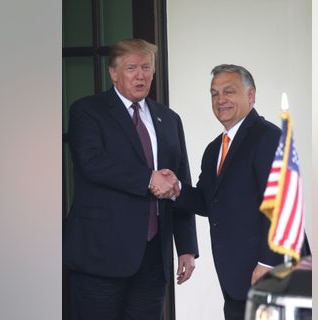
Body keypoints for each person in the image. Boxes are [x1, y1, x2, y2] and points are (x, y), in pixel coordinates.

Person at [152, 64, 310, 320]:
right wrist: (175, 189)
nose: (220, 99)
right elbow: (206, 201)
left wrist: (267, 264)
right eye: (214, 93)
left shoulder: (269, 138)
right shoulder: (215, 149)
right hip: (237, 280)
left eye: (229, 91)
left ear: (251, 95)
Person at [62, 38, 199, 320]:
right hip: (100, 256)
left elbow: (178, 182)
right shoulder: (87, 111)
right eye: (131, 68)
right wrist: (148, 178)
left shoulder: (169, 119)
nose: (140, 75)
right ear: (113, 73)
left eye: (146, 67)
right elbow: (91, 163)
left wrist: (186, 248)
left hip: (153, 258)